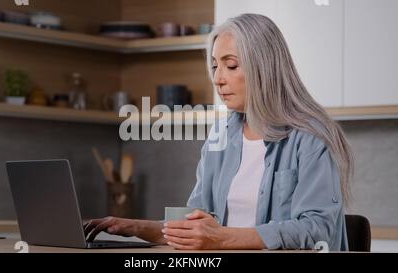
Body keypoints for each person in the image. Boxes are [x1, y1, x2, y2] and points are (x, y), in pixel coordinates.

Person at [84, 13, 353, 251]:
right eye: (215, 66)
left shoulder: (311, 137)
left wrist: (221, 239)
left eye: (231, 65)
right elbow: (195, 223)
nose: (218, 78)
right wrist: (136, 229)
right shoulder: (220, 135)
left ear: (265, 68)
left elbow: (319, 230)